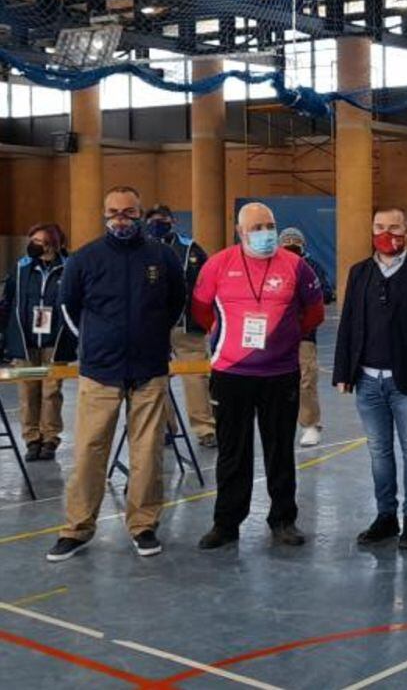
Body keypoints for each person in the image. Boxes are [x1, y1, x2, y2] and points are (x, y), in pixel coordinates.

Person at [46, 187, 185, 562]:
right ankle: (77, 528)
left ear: (140, 214)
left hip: (149, 371)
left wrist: (154, 338)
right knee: (90, 452)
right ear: (104, 214)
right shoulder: (85, 259)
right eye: (113, 212)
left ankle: (143, 525)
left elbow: (176, 302)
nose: (120, 219)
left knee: (148, 453)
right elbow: (69, 309)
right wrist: (93, 345)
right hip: (99, 373)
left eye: (128, 212)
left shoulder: (162, 257)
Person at [191, 203, 325, 550]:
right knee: (232, 452)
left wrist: (285, 339)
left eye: (271, 225)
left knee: (280, 450)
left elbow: (313, 313)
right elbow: (202, 310)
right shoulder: (217, 265)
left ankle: (283, 519)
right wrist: (228, 339)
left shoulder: (297, 267)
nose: (266, 233)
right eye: (257, 227)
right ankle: (226, 522)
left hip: (280, 373)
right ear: (240, 231)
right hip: (231, 373)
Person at [333, 207, 407, 551]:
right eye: (379, 227)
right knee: (379, 452)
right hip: (368, 381)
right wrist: (343, 372)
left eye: (393, 227)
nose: (386, 233)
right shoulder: (359, 272)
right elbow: (348, 322)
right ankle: (386, 516)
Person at [0, 223, 76, 462]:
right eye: (31, 239)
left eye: (38, 240)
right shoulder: (22, 268)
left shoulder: (69, 267)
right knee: (27, 391)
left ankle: (50, 438)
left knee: (51, 392)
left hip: (56, 340)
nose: (32, 244)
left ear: (52, 243)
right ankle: (31, 439)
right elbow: (7, 300)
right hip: (24, 339)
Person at [145, 204, 215, 449]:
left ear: (173, 221)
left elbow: (207, 285)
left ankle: (205, 429)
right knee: (155, 379)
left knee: (196, 379)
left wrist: (205, 319)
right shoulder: (139, 249)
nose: (157, 222)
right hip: (152, 328)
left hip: (186, 326)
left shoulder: (190, 248)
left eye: (162, 218)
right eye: (152, 218)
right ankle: (164, 427)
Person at [279, 227, 335, 448]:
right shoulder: (272, 266)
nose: (292, 252)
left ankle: (310, 424)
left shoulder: (312, 267)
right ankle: (280, 424)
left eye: (295, 247)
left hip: (304, 334)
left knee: (306, 379)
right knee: (276, 382)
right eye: (287, 247)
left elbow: (327, 294)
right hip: (277, 336)